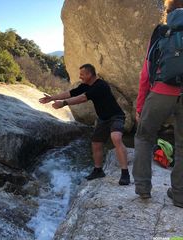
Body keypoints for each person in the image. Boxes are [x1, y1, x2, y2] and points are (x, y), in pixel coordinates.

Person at [39, 64, 130, 185]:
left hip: (116, 116)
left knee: (116, 137)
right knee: (96, 143)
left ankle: (125, 173)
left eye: (82, 74)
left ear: (89, 74)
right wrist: (51, 98)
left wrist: (64, 103)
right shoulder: (87, 85)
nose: (80, 76)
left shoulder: (101, 85)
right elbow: (72, 93)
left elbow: (82, 98)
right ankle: (98, 170)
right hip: (103, 119)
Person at [133, 0, 183, 207]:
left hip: (161, 91)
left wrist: (139, 105)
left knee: (144, 137)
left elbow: (147, 71)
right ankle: (180, 195)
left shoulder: (162, 32)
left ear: (168, 12)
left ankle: (144, 189)